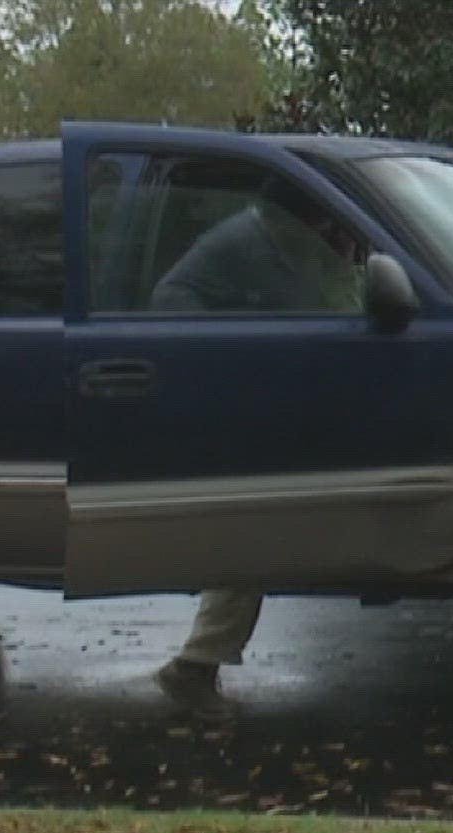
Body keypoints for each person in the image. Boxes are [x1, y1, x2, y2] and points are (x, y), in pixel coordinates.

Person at [146, 176, 366, 717]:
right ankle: (195, 667)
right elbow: (169, 300)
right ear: (293, 220)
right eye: (318, 224)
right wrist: (222, 354)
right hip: (218, 401)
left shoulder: (277, 246)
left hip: (251, 402)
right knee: (253, 531)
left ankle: (198, 663)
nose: (322, 233)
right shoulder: (248, 245)